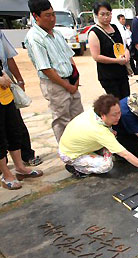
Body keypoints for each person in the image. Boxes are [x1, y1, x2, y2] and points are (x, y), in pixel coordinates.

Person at [59, 94, 138, 177]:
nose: (118, 117)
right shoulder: (100, 131)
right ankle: (77, 168)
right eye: (114, 115)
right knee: (107, 165)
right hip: (71, 154)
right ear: (103, 115)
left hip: (80, 143)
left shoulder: (95, 111)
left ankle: (95, 152)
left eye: (119, 112)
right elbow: (125, 154)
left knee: (113, 138)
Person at [25, 0, 84, 142]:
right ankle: (68, 155)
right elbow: (46, 69)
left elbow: (69, 56)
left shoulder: (57, 33)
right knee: (62, 120)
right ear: (36, 16)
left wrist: (75, 78)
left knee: (79, 117)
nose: (52, 19)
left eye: (53, 15)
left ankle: (83, 147)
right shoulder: (35, 38)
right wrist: (67, 86)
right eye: (47, 16)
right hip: (56, 84)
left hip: (70, 80)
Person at [0, 29, 41, 166]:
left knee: (15, 124)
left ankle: (25, 157)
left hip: (7, 89)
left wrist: (19, 80)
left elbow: (9, 57)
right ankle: (3, 166)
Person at [0, 60, 43, 190]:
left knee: (15, 131)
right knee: (0, 138)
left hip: (6, 96)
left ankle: (20, 168)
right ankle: (6, 174)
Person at [88, 1, 130, 100]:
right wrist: (116, 61)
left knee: (126, 100)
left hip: (121, 72)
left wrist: (127, 55)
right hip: (108, 75)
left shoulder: (115, 27)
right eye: (102, 14)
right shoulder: (94, 32)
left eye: (108, 14)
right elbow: (96, 56)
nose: (106, 17)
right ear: (96, 15)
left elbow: (123, 46)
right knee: (116, 101)